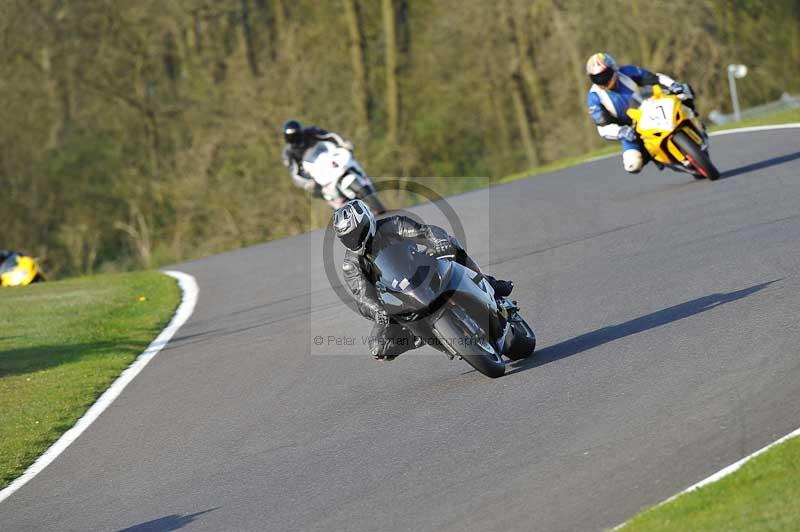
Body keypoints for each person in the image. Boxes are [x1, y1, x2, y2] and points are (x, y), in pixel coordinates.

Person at [333, 199, 513, 361]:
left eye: (357, 232)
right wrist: (377, 311)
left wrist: (438, 240)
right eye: (347, 238)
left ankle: (489, 283)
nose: (353, 239)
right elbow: (363, 297)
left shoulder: (392, 225)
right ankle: (422, 336)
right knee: (378, 347)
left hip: (422, 267)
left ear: (368, 221)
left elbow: (424, 232)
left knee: (450, 242)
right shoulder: (351, 264)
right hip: (397, 295)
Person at [585, 52, 696, 174]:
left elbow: (656, 78)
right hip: (630, 129)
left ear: (613, 69)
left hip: (651, 108)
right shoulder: (594, 98)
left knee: (684, 91)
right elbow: (603, 127)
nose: (602, 80)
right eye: (597, 77)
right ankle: (659, 158)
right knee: (632, 165)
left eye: (605, 74)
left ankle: (693, 118)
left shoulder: (627, 72)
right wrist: (621, 132)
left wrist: (673, 85)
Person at [282, 119, 354, 197]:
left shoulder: (311, 132)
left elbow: (329, 136)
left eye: (295, 135)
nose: (294, 138)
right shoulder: (289, 152)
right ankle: (338, 202)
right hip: (316, 173)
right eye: (291, 136)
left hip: (329, 158)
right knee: (319, 192)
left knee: (347, 156)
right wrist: (307, 182)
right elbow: (295, 172)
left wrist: (343, 143)